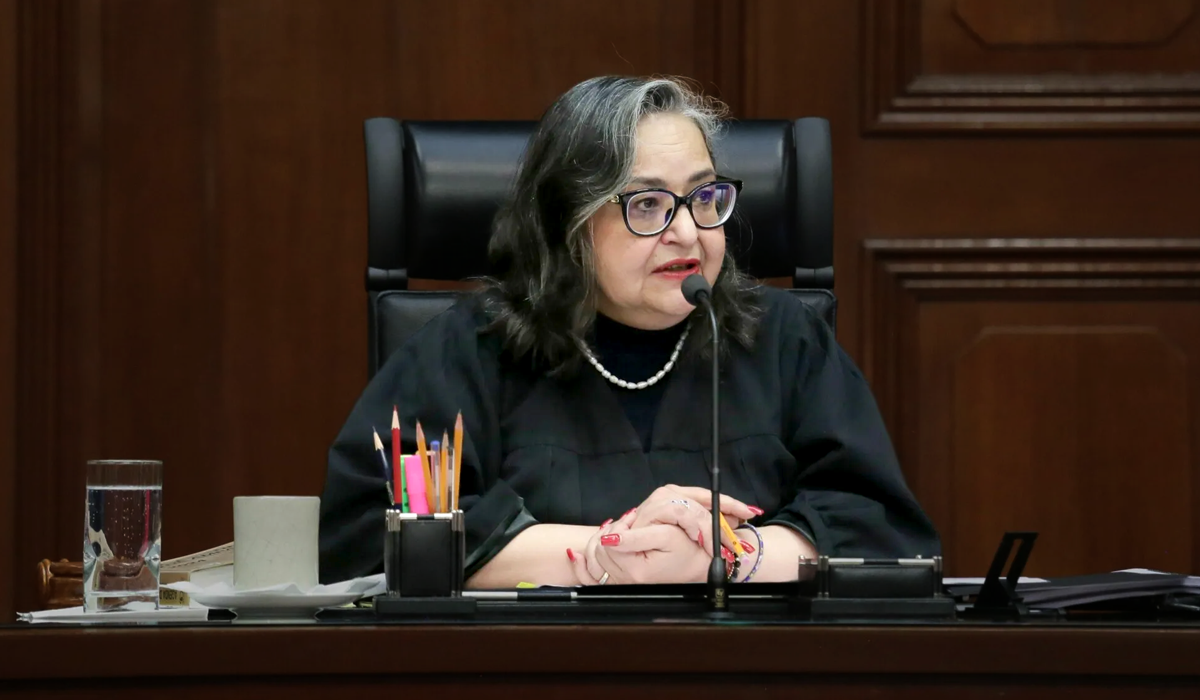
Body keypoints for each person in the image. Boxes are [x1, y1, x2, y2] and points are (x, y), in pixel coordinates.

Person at [318, 75, 939, 589]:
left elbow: (881, 533)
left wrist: (727, 558)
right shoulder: (468, 349)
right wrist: (606, 554)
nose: (688, 233)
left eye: (705, 197)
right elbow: (370, 539)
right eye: (647, 205)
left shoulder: (785, 339)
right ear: (568, 223)